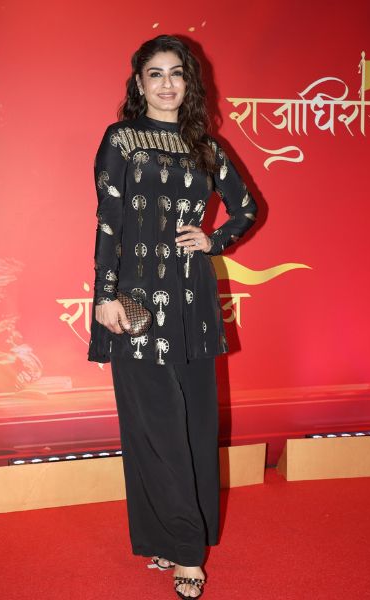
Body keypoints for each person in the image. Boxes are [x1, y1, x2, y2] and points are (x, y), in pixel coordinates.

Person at [87, 34, 258, 599]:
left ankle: (178, 537)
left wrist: (214, 240)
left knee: (193, 423)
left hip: (192, 302)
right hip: (135, 300)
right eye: (155, 74)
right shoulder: (122, 139)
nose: (166, 84)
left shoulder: (205, 145)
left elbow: (247, 208)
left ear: (190, 83)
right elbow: (109, 220)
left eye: (176, 73)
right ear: (139, 84)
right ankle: (182, 546)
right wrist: (105, 295)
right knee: (151, 424)